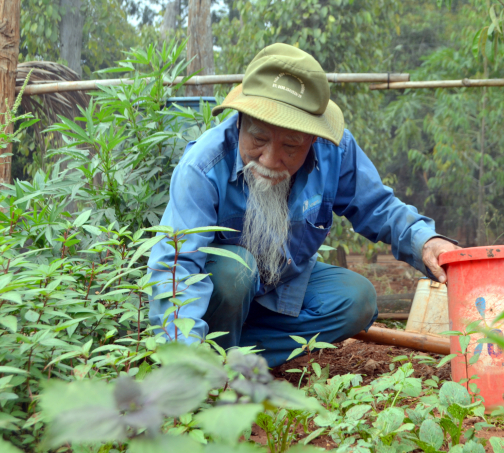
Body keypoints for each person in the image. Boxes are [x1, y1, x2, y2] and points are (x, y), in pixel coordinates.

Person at [147, 43, 458, 367]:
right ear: (239, 120)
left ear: (314, 139)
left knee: (357, 300)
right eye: (258, 139)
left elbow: (378, 205)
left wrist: (425, 241)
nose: (268, 160)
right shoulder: (203, 167)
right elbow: (174, 268)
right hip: (217, 298)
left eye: (290, 146)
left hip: (280, 287)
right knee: (235, 270)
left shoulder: (333, 152)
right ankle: (203, 363)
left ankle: (239, 358)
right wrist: (184, 360)